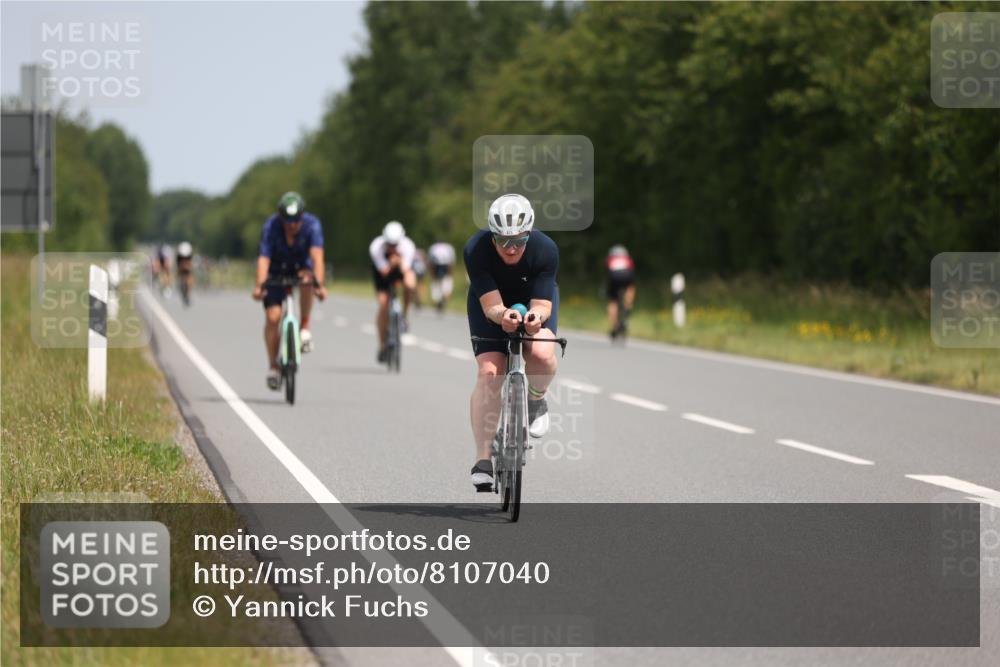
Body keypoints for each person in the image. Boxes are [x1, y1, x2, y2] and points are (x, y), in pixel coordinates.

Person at [465, 193, 559, 491]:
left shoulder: (545, 249)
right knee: (489, 372)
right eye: (503, 240)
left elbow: (542, 304)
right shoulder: (476, 249)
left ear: (529, 233)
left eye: (519, 240)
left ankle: (536, 399)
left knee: (541, 353)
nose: (511, 248)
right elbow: (491, 305)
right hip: (490, 303)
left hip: (534, 301)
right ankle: (483, 460)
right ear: (491, 236)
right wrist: (502, 315)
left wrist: (535, 317)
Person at [251, 191, 327, 390]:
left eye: (296, 220)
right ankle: (273, 366)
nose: (292, 225)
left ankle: (304, 326)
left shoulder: (312, 225)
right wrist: (259, 286)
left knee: (307, 281)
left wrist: (319, 285)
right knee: (273, 317)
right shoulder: (271, 227)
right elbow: (264, 259)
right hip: (276, 270)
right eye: (287, 220)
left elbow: (317, 256)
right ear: (280, 217)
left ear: (302, 215)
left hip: (301, 267)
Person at [369, 221, 417, 362]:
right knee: (383, 304)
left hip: (401, 269)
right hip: (383, 273)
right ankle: (382, 346)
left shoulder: (408, 246)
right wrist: (391, 263)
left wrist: (399, 262)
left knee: (409, 283)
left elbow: (406, 270)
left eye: (395, 245)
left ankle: (405, 315)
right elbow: (383, 272)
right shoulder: (376, 247)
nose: (392, 247)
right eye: (389, 244)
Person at [606, 244, 636, 339]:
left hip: (614, 276)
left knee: (613, 301)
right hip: (627, 274)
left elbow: (608, 272)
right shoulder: (627, 258)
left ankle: (615, 326)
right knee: (630, 287)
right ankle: (628, 307)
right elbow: (632, 270)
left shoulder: (610, 258)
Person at [428, 241, 456, 312]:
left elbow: (431, 262)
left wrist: (432, 274)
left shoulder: (433, 247)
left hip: (437, 266)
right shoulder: (449, 247)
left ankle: (440, 299)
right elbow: (451, 262)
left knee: (437, 284)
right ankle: (442, 298)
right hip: (444, 266)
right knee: (445, 283)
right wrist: (450, 274)